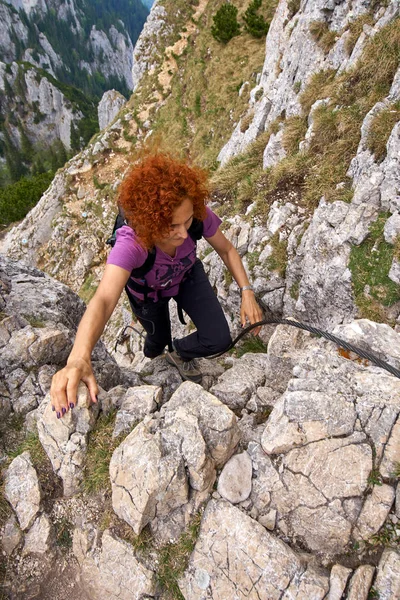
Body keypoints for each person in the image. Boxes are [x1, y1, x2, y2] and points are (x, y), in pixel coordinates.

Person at [51, 153, 263, 418]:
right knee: (154, 345)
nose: (184, 233)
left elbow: (227, 249)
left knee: (219, 339)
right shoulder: (132, 243)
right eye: (171, 226)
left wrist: (247, 292)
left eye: (186, 222)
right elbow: (104, 299)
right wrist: (78, 358)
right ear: (148, 222)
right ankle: (160, 349)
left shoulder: (195, 215)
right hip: (148, 296)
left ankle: (178, 352)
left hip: (187, 277)